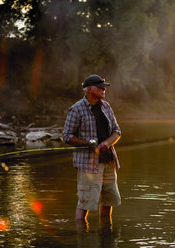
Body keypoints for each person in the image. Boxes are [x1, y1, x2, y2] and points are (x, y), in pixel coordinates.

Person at [62, 74, 121, 224]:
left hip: (109, 162)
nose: (103, 89)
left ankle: (106, 233)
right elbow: (67, 136)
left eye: (104, 87)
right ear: (89, 89)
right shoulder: (76, 109)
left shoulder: (106, 106)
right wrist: (88, 143)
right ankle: (81, 234)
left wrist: (105, 144)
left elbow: (117, 132)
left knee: (109, 201)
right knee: (85, 202)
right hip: (88, 165)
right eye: (100, 87)